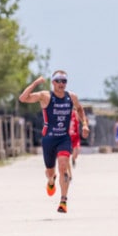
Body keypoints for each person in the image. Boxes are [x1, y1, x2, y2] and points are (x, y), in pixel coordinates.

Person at [19, 71, 89, 213]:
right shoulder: (45, 96)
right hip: (49, 139)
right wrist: (35, 83)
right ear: (53, 82)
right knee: (50, 172)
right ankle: (51, 181)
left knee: (63, 166)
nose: (61, 84)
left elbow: (80, 109)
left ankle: (63, 201)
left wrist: (85, 124)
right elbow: (23, 98)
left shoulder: (71, 97)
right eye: (58, 81)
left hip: (63, 138)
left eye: (64, 81)